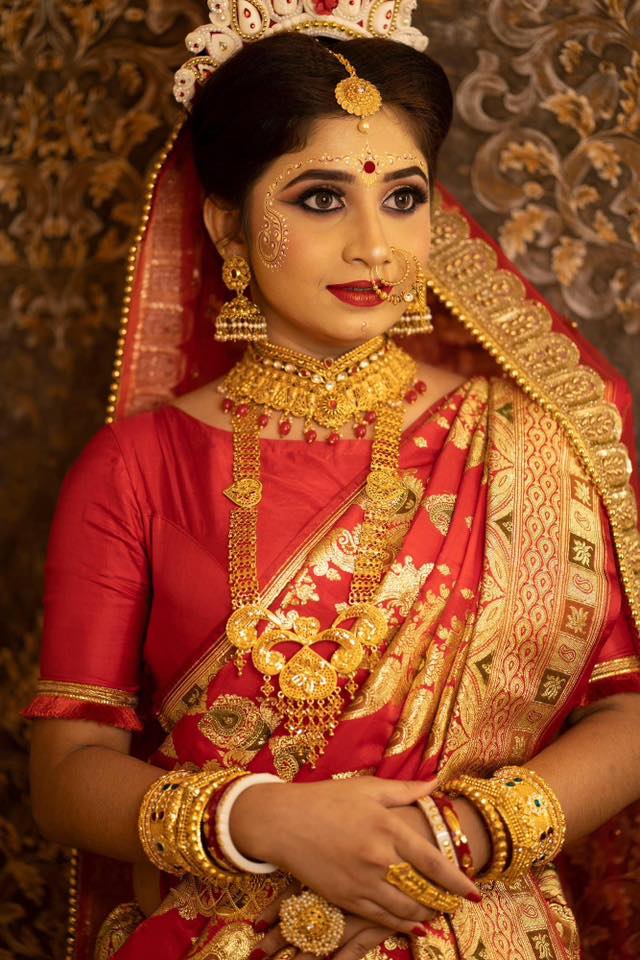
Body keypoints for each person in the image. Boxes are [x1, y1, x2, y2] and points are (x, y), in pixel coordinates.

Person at [23, 3, 640, 959]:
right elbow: (67, 772)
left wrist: (444, 846)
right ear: (229, 224)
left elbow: (627, 710)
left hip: (471, 921)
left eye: (403, 196)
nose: (375, 246)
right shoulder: (135, 467)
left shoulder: (534, 443)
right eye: (320, 198)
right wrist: (268, 823)